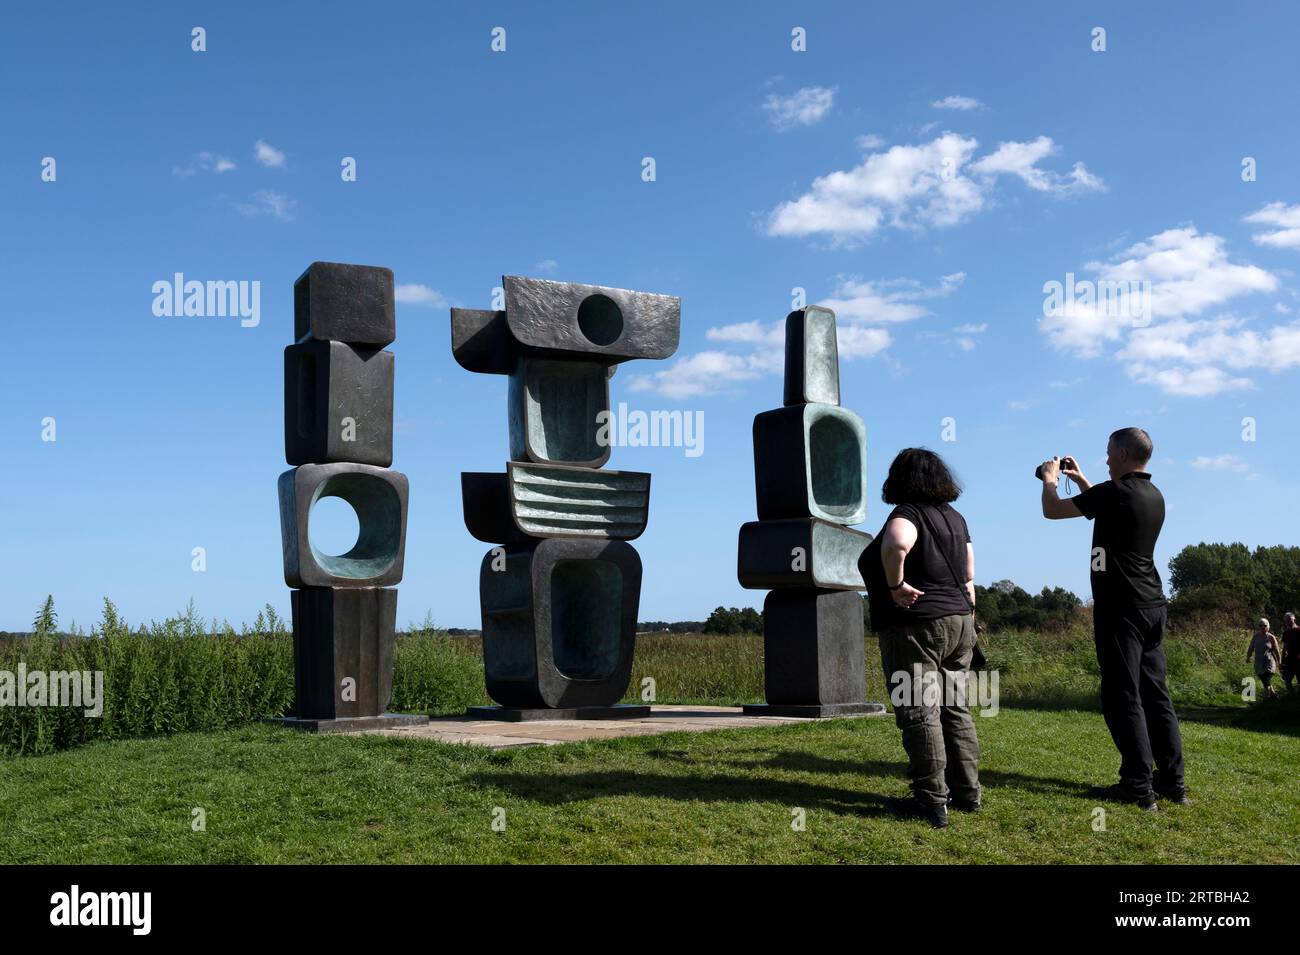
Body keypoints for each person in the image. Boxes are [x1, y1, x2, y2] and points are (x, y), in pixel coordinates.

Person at [1039, 427, 1186, 811]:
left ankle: (1137, 786)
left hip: (1121, 608)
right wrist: (1083, 480)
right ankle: (1173, 782)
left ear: (1121, 454)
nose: (1105, 460)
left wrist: (1051, 481)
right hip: (1153, 604)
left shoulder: (1114, 494)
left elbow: (1052, 511)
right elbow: (1107, 503)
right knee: (1156, 695)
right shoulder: (1153, 495)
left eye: (1108, 453)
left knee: (1124, 696)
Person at [869, 448, 978, 829]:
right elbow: (968, 574)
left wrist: (896, 585)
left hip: (917, 624)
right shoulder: (956, 517)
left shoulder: (907, 514)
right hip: (960, 620)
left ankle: (931, 801)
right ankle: (968, 793)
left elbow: (896, 543)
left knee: (919, 710)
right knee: (955, 708)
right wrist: (967, 616)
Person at [1246, 618, 1281, 701]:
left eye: (1264, 625)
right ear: (1258, 627)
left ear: (1268, 626)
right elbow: (1251, 648)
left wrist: (1279, 661)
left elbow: (1276, 651)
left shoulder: (1271, 637)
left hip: (1269, 663)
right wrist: (1248, 657)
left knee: (1266, 679)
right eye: (1260, 625)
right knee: (1264, 679)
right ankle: (1273, 695)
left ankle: (1266, 698)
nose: (1262, 627)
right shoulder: (1255, 637)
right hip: (1259, 663)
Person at [1281, 612, 1300, 694]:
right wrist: (1282, 660)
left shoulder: (1299, 630)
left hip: (1299, 659)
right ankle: (1292, 696)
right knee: (1287, 680)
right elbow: (1285, 647)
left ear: (1294, 619)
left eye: (1289, 620)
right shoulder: (1286, 633)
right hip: (1290, 660)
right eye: (1286, 621)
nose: (1288, 622)